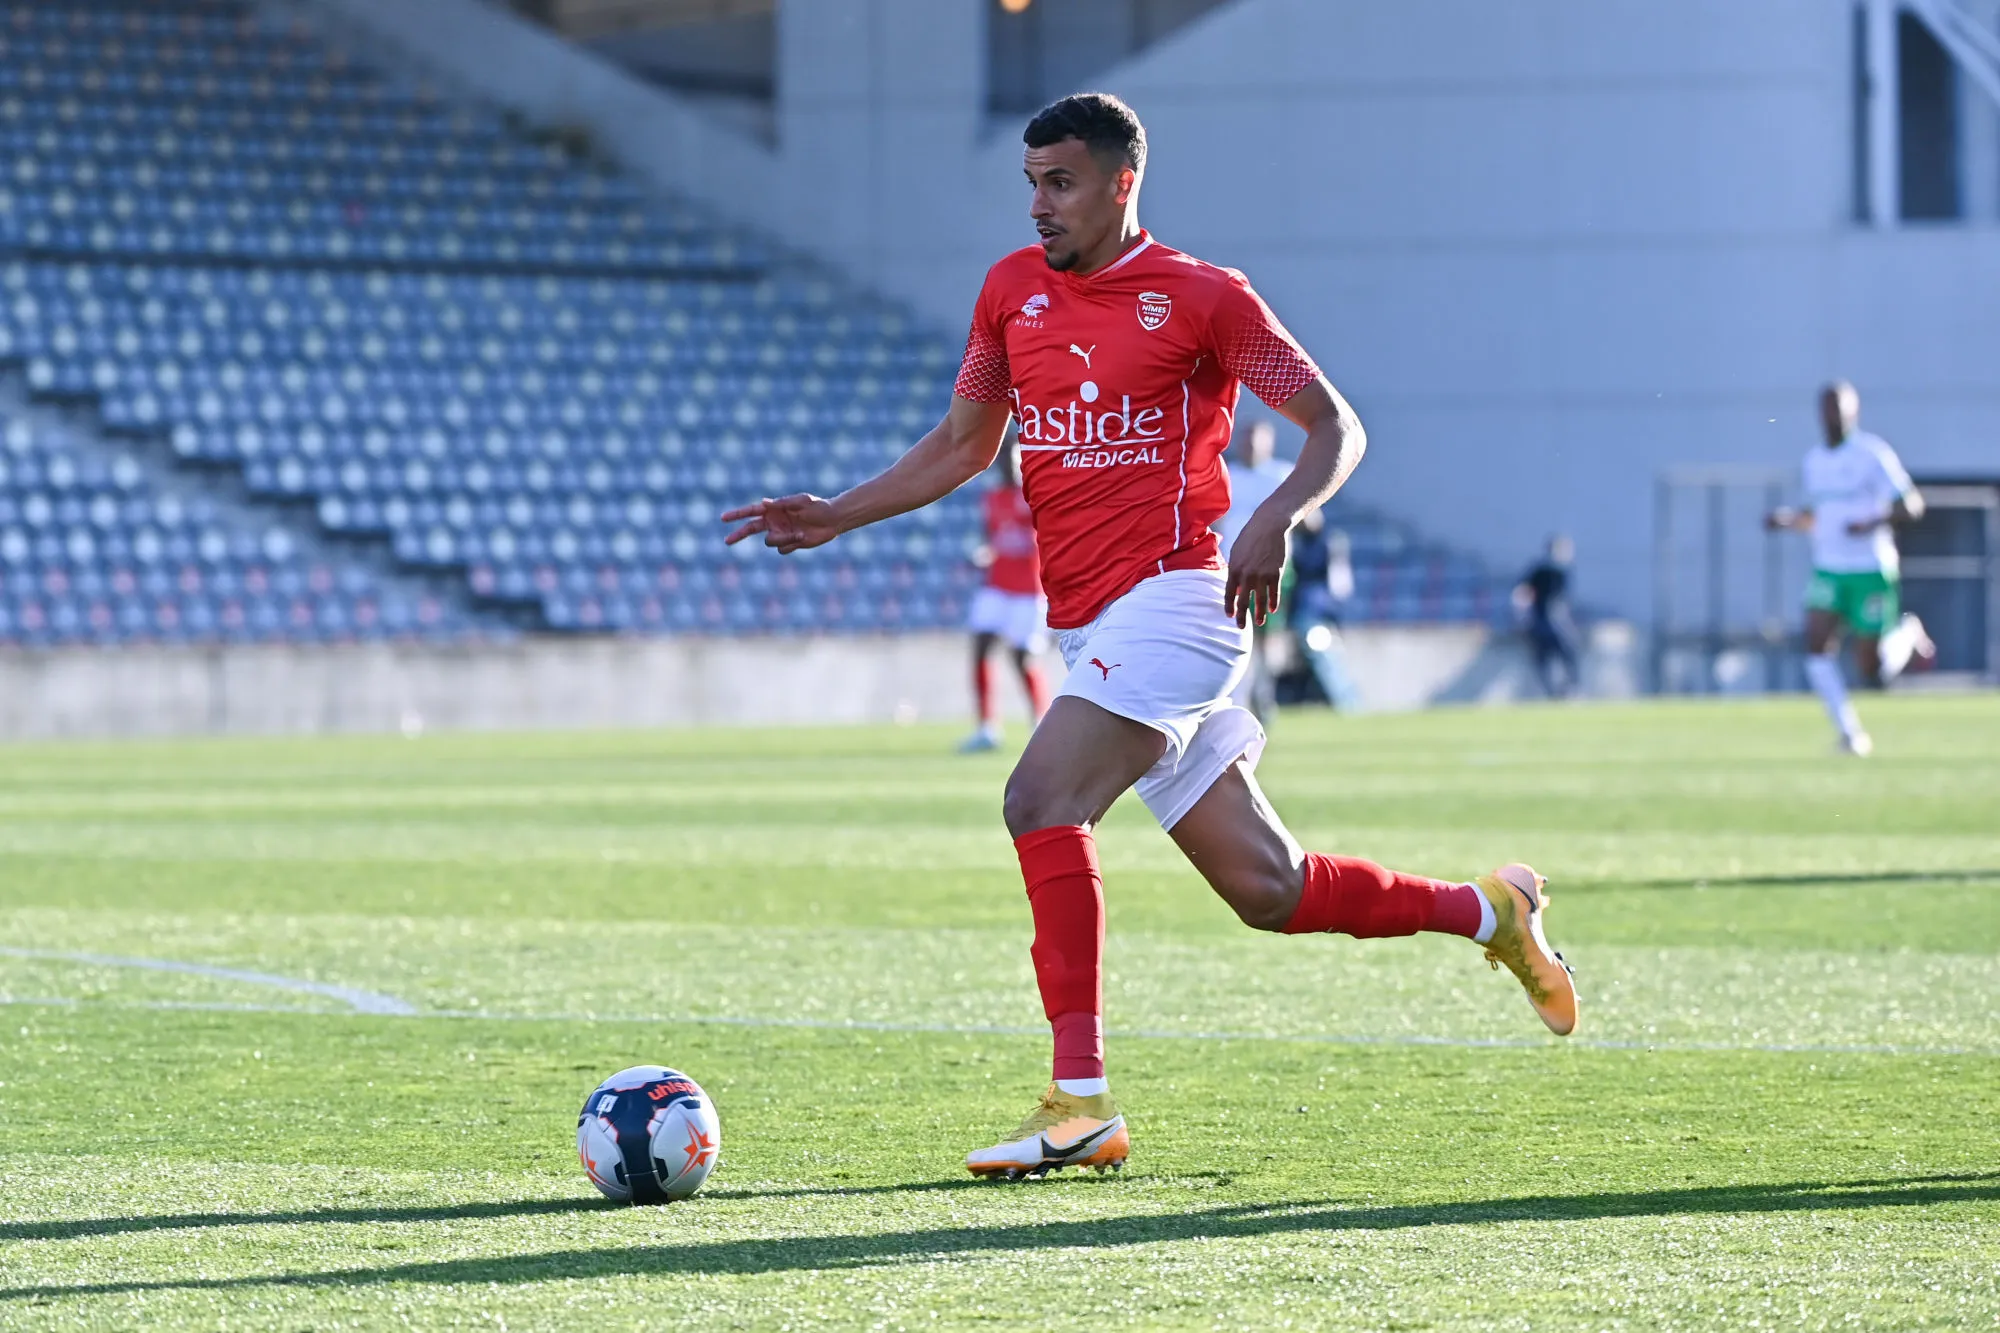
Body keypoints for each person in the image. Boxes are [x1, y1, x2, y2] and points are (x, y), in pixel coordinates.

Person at [721, 93, 1576, 1180]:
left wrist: (1273, 516)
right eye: (1030, 182)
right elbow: (959, 445)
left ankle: (1077, 1102)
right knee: (1269, 888)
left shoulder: (1203, 299)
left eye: (1060, 183)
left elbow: (1333, 425)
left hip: (1181, 602)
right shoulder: (1008, 292)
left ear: (1122, 182)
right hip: (1086, 629)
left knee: (1038, 799)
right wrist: (835, 512)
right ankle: (1489, 911)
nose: (1038, 205)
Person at [1767, 381, 1934, 756]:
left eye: (1841, 410)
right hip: (1829, 569)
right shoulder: (1814, 462)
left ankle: (1906, 632)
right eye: (1829, 409)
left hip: (1870, 569)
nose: (1834, 417)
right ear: (1820, 413)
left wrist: (1872, 522)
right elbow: (1816, 518)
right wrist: (1787, 521)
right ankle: (1849, 733)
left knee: (1872, 673)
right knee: (1815, 646)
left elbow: (1913, 505)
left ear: (1853, 413)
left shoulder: (1872, 454)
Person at [961, 432, 1052, 751]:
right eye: (1004, 459)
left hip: (1029, 590)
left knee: (1022, 658)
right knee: (981, 646)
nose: (1009, 465)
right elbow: (993, 538)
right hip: (997, 586)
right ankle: (987, 727)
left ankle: (1040, 721)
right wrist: (984, 552)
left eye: (1015, 458)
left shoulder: (1034, 497)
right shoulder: (992, 499)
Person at [1219, 420, 1292, 722]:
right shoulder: (1228, 475)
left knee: (1265, 637)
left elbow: (1313, 520)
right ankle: (1238, 700)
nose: (1250, 446)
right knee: (1235, 633)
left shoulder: (1282, 475)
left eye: (1256, 440)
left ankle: (1264, 694)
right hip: (1230, 570)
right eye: (1246, 440)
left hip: (1271, 571)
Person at [1513, 535, 1582, 699]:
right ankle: (1562, 690)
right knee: (1557, 656)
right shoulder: (1543, 571)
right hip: (1547, 623)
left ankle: (1564, 690)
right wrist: (1521, 615)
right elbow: (1522, 593)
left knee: (1557, 658)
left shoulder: (1562, 572)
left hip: (1549, 622)